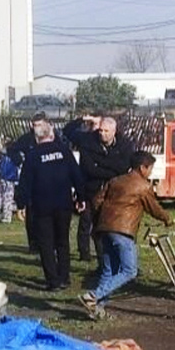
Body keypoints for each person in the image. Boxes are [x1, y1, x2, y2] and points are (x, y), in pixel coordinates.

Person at [79, 151, 174, 319]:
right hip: (123, 231)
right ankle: (93, 296)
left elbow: (96, 200)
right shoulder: (143, 186)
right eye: (150, 169)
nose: (151, 172)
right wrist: (167, 219)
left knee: (109, 271)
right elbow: (154, 208)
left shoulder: (115, 180)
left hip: (104, 229)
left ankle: (97, 310)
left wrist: (102, 221)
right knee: (130, 270)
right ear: (142, 167)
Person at [16, 121, 85, 291]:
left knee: (46, 243)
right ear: (51, 135)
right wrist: (81, 197)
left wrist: (21, 204)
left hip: (42, 206)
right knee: (62, 241)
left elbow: (25, 183)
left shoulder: (32, 156)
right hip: (63, 203)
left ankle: (53, 281)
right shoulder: (64, 151)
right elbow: (76, 175)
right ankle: (64, 277)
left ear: (36, 137)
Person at [63, 113, 134, 263]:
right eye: (101, 130)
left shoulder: (124, 144)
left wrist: (100, 162)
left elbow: (123, 167)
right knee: (87, 223)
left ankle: (110, 258)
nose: (102, 134)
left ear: (114, 131)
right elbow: (90, 169)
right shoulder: (88, 140)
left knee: (110, 226)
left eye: (106, 131)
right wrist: (84, 119)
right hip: (91, 190)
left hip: (113, 192)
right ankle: (88, 254)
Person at [8, 111, 55, 253]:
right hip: (32, 180)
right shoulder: (26, 139)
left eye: (39, 125)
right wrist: (19, 160)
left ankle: (50, 243)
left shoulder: (52, 137)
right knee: (32, 213)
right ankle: (33, 244)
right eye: (35, 125)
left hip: (48, 179)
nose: (37, 128)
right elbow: (12, 149)